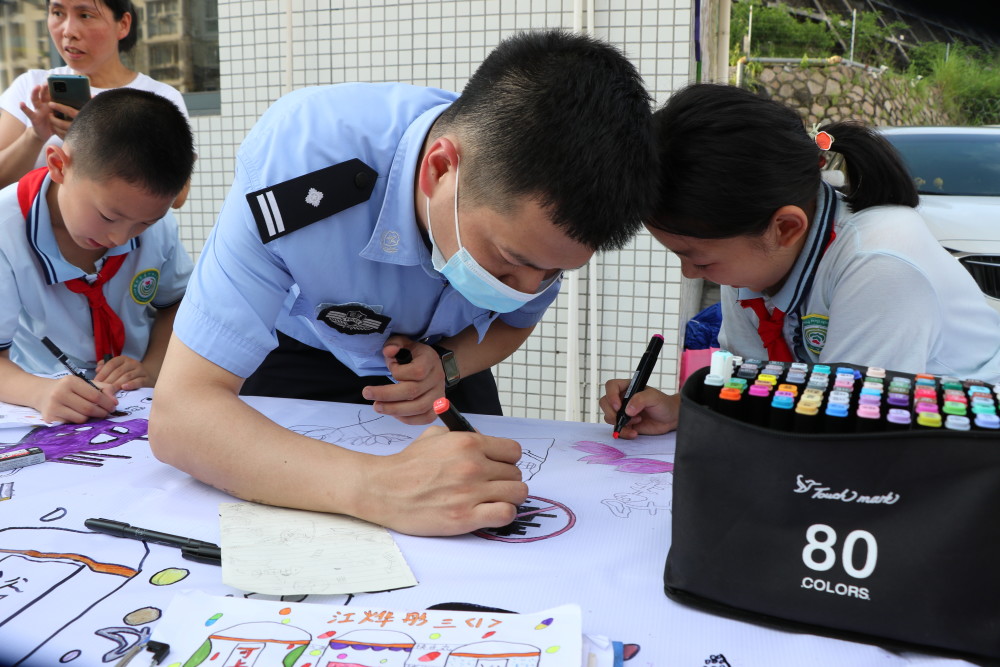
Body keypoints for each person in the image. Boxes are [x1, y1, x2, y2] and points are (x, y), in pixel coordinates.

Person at [149, 29, 657, 536]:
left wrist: (449, 364)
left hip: (437, 369)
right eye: (506, 261)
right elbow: (182, 417)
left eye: (552, 274)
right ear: (440, 169)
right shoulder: (299, 161)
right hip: (299, 355)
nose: (524, 289)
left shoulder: (540, 220)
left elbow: (512, 324)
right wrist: (374, 486)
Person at [600, 82, 1000, 438]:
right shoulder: (754, 262)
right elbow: (754, 385)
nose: (690, 272)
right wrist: (682, 409)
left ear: (786, 227)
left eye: (699, 260)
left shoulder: (880, 263)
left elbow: (845, 427)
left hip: (967, 460)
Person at [0, 88, 196, 424]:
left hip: (137, 401)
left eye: (145, 223)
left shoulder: (152, 225)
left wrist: (152, 366)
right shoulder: (6, 232)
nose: (120, 237)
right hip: (37, 400)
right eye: (107, 216)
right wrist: (38, 391)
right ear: (58, 165)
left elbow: (177, 304)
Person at [0, 0, 192, 205]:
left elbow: (178, 195)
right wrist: (35, 135)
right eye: (57, 13)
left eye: (85, 15)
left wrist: (93, 138)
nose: (68, 31)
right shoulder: (31, 87)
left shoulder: (158, 97)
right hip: (30, 235)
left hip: (121, 237)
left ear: (123, 24)